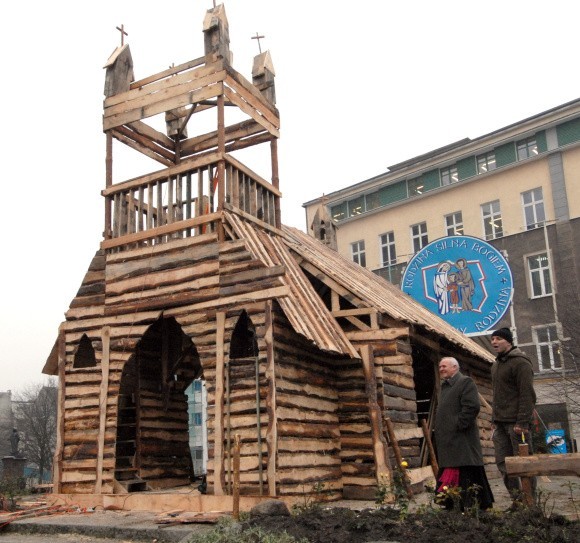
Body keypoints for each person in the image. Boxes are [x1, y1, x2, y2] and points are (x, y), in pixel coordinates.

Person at [433, 357, 494, 510]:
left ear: (455, 367)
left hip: (462, 439)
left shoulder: (465, 382)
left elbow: (472, 407)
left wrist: (457, 425)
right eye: (440, 367)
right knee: (451, 467)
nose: (441, 369)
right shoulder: (445, 386)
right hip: (449, 440)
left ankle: (473, 504)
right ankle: (452, 504)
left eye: (444, 366)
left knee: (466, 470)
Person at [490, 327, 537, 505]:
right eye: (492, 339)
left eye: (498, 339)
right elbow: (497, 395)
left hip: (516, 424)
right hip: (500, 424)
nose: (494, 342)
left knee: (524, 465)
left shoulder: (521, 362)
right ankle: (517, 502)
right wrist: (494, 420)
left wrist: (522, 422)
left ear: (508, 341)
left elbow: (527, 394)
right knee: (503, 463)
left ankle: (530, 504)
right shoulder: (496, 365)